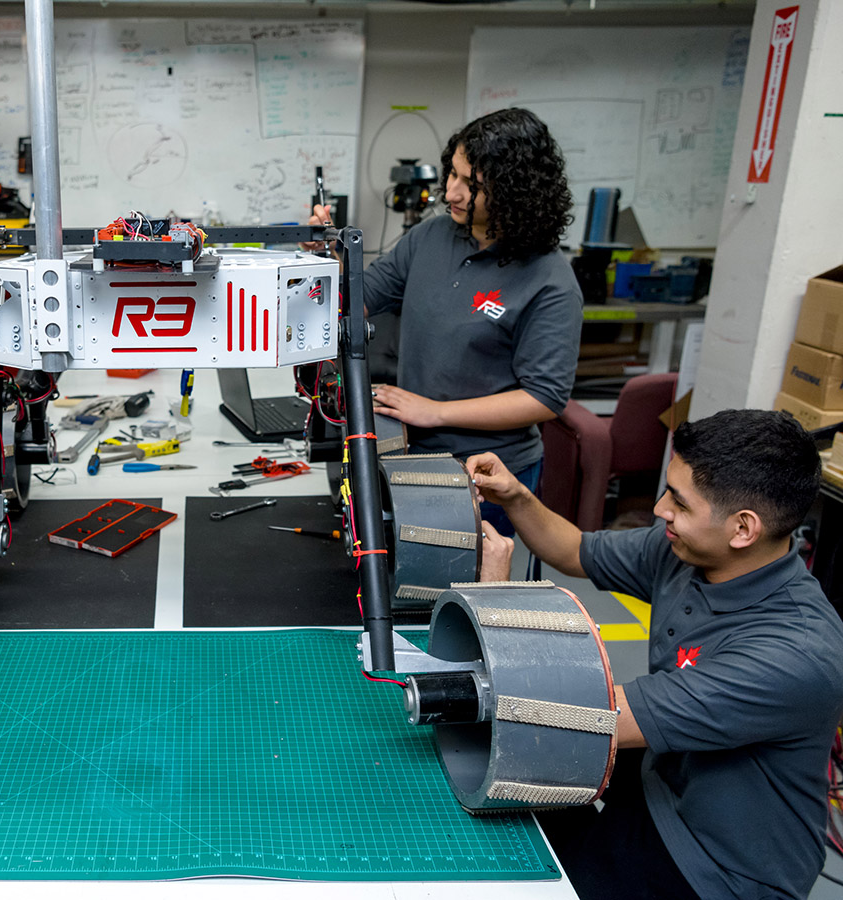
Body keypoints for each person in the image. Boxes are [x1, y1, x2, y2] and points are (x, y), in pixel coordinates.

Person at [468, 408, 843, 900]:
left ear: (743, 528)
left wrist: (493, 595)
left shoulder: (793, 653)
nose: (661, 509)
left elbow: (568, 718)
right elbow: (575, 549)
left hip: (718, 867)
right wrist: (516, 497)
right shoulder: (691, 552)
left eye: (680, 503)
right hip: (657, 781)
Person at [311, 108, 582, 535]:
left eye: (470, 185)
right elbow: (357, 300)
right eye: (451, 175)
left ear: (514, 192)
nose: (451, 193)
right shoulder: (431, 237)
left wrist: (436, 412)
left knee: (464, 594)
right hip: (409, 456)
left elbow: (544, 398)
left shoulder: (549, 280)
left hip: (487, 474)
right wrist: (324, 259)